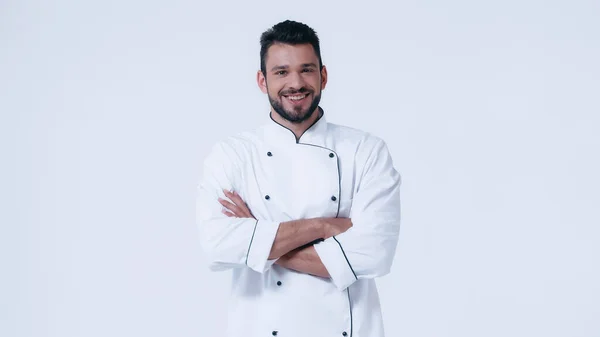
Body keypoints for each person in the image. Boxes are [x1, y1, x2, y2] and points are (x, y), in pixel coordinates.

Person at [196, 20, 402, 337]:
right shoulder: (233, 155)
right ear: (262, 81)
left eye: (306, 70)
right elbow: (217, 247)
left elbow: (374, 255)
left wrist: (256, 241)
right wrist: (322, 226)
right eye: (281, 72)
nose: (296, 83)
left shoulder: (365, 151)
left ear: (323, 76)